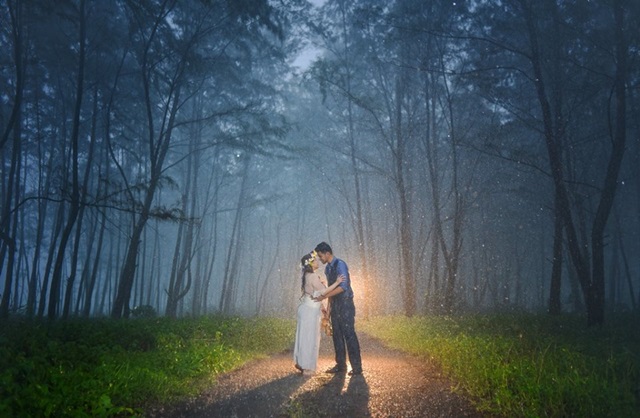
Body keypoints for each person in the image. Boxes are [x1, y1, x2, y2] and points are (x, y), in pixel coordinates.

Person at [313, 242, 362, 376]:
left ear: (327, 253)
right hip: (335, 305)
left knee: (349, 335)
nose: (320, 258)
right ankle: (341, 366)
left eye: (320, 255)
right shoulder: (327, 269)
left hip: (345, 304)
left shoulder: (340, 264)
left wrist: (324, 295)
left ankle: (357, 367)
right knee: (337, 336)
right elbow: (331, 289)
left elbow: (342, 287)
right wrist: (328, 313)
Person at [293, 251, 344, 375]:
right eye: (315, 260)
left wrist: (322, 307)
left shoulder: (308, 275)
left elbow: (312, 294)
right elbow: (323, 292)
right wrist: (337, 283)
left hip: (307, 309)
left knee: (304, 337)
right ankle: (307, 368)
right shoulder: (313, 276)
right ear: (310, 263)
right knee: (309, 338)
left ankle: (301, 363)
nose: (317, 262)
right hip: (309, 311)